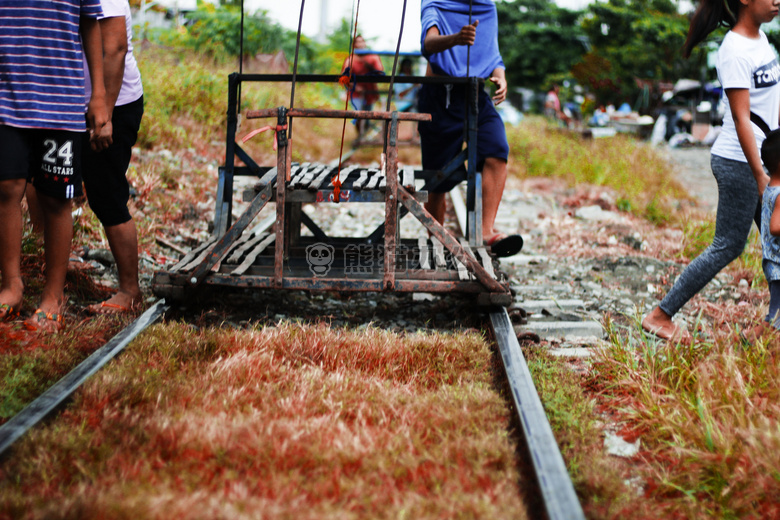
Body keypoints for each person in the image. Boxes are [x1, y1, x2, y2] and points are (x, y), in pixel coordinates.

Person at [642, 0, 780, 341]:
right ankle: (660, 315)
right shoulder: (734, 49)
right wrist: (761, 175)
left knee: (774, 240)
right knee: (728, 244)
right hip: (741, 162)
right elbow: (741, 117)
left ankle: (774, 321)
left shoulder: (762, 40)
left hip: (763, 161)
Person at [0, 0, 111, 332]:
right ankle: (12, 285)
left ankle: (53, 296)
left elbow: (90, 24)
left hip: (60, 100)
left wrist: (99, 96)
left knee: (56, 198)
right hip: (7, 96)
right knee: (6, 188)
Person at [418, 0, 522, 257]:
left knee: (497, 150)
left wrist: (501, 75)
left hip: (475, 95)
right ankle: (436, 238)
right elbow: (428, 43)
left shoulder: (486, 7)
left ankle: (486, 232)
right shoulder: (435, 3)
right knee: (438, 179)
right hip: (439, 97)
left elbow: (492, 53)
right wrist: (455, 38)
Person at [83, 0, 145, 314]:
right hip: (76, 102)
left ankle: (130, 290)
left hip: (113, 103)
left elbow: (116, 47)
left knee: (106, 192)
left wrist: (104, 113)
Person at [341, 35, 384, 138]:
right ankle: (360, 136)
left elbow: (380, 73)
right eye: (357, 42)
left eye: (362, 42)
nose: (360, 44)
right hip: (355, 94)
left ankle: (364, 135)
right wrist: (356, 87)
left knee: (367, 115)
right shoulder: (350, 60)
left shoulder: (373, 57)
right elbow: (344, 78)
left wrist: (369, 66)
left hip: (370, 93)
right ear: (354, 45)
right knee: (358, 115)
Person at [759, 128, 780, 332]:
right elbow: (775, 227)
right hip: (778, 265)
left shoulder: (769, 188)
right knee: (776, 318)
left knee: (773, 315)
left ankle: (748, 339)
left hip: (772, 260)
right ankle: (766, 348)